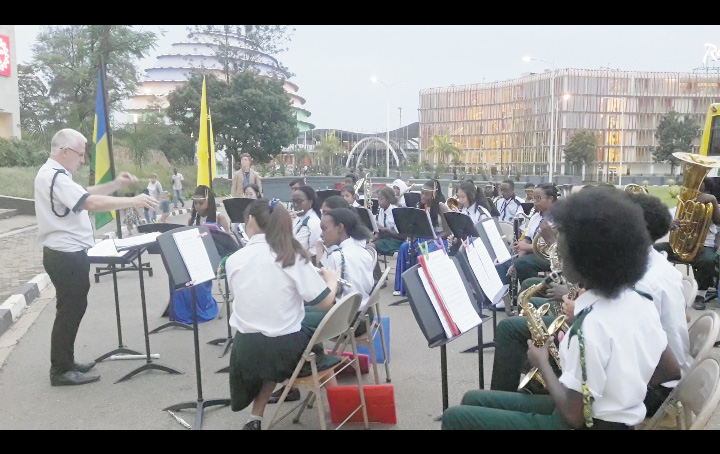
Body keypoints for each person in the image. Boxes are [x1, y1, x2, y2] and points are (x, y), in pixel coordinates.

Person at [442, 187, 681, 430]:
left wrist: (541, 361)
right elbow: (671, 370)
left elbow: (573, 417)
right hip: (609, 417)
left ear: (585, 260)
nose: (558, 252)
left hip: (585, 423)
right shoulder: (640, 300)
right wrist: (624, 388)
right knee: (473, 400)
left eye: (564, 247)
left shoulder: (590, 326)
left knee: (455, 417)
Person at [35, 128, 159, 386]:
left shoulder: (57, 176)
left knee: (72, 309)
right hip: (65, 254)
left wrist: (115, 185)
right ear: (65, 151)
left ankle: (66, 362)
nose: (83, 160)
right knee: (70, 311)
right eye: (80, 154)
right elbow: (90, 202)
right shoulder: (54, 176)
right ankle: (60, 369)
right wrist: (133, 201)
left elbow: (84, 192)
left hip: (68, 254)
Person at [226, 198, 341, 429]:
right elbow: (326, 302)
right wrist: (332, 280)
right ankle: (340, 406)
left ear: (250, 220)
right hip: (284, 350)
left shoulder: (234, 259)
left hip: (245, 349)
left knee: (279, 330)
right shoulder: (290, 255)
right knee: (306, 334)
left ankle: (255, 418)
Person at [655, 177, 720, 310]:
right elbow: (665, 220)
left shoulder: (711, 206)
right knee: (653, 251)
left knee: (708, 260)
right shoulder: (683, 204)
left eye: (698, 187)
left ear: (706, 189)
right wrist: (670, 224)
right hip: (679, 245)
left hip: (703, 247)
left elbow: (718, 221)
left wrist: (713, 200)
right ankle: (658, 284)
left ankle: (701, 295)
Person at [393, 179, 451, 297]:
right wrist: (412, 237)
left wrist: (431, 240)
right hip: (423, 237)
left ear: (434, 195)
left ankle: (425, 289)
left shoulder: (441, 207)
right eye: (422, 193)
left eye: (426, 194)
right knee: (404, 247)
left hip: (439, 240)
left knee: (426, 251)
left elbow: (447, 231)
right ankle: (403, 287)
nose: (423, 196)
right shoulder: (419, 206)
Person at [496, 183, 559, 287]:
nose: (535, 202)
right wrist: (516, 262)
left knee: (524, 263)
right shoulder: (535, 217)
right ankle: (509, 297)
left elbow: (552, 247)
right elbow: (527, 239)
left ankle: (530, 292)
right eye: (534, 199)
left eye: (538, 198)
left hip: (550, 257)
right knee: (503, 263)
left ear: (551, 199)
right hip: (534, 254)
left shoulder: (558, 218)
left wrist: (526, 249)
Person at [292, 185, 323, 263]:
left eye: (299, 201)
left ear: (310, 202)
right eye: (294, 201)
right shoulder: (299, 218)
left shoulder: (312, 223)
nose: (295, 205)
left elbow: (296, 247)